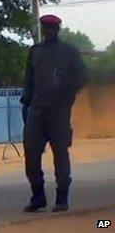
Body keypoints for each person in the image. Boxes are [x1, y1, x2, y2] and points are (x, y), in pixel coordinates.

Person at [21, 15, 87, 213]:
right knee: (31, 152)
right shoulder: (35, 52)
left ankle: (62, 197)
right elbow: (29, 80)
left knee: (60, 153)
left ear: (57, 29)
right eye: (44, 28)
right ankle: (38, 195)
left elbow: (82, 77)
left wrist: (68, 90)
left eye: (51, 28)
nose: (47, 31)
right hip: (37, 109)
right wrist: (27, 102)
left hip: (59, 110)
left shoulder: (69, 52)